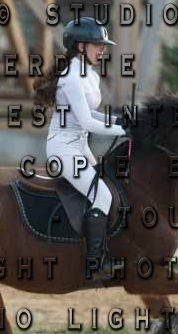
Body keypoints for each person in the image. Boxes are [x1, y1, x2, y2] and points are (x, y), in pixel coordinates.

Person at [34, 18, 127, 281]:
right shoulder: (71, 78)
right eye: (98, 45)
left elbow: (91, 114)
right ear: (80, 47)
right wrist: (123, 130)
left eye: (103, 45)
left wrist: (122, 122)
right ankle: (95, 263)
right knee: (103, 196)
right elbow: (86, 122)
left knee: (109, 189)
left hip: (80, 146)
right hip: (63, 150)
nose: (102, 50)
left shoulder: (91, 75)